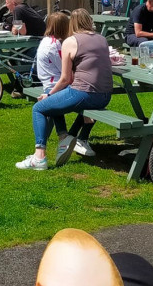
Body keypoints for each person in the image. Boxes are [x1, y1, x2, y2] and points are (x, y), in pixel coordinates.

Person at [16, 9, 112, 170]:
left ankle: (39, 156)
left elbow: (65, 78)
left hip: (84, 93)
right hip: (105, 95)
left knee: (39, 108)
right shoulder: (102, 39)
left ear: (71, 24)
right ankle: (67, 138)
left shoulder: (71, 41)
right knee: (59, 104)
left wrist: (48, 94)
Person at [35, 12, 96, 157]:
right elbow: (65, 74)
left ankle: (67, 135)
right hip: (54, 84)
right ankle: (74, 137)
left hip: (48, 82)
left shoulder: (47, 41)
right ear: (64, 27)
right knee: (92, 97)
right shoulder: (55, 46)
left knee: (87, 97)